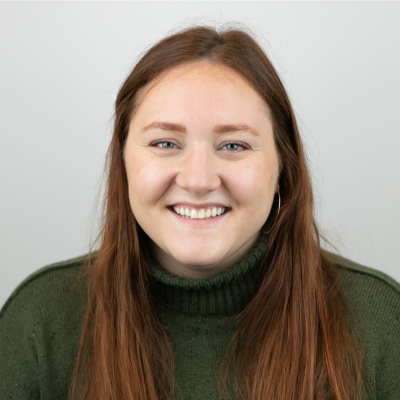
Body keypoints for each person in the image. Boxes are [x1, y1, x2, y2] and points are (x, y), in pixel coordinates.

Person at [1, 24, 399, 400]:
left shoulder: (380, 323)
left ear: (282, 169)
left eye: (233, 146)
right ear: (123, 164)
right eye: (165, 143)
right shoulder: (38, 322)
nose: (198, 180)